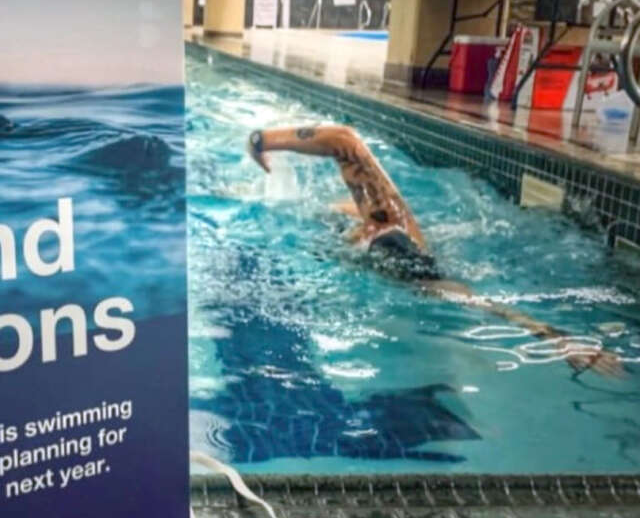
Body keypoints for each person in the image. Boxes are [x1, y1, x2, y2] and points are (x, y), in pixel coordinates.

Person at [247, 124, 624, 377]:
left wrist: (261, 140)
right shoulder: (377, 222)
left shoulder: (386, 221)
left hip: (399, 270)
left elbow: (343, 139)